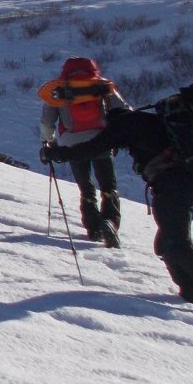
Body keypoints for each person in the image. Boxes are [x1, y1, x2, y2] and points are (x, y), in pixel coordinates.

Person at [46, 101, 193, 316]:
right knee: (165, 244)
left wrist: (56, 154)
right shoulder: (153, 121)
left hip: (172, 188)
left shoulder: (123, 125)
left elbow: (91, 148)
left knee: (177, 245)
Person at [37, 57, 128, 247]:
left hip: (72, 146)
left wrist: (48, 142)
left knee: (86, 188)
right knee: (108, 188)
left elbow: (47, 122)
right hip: (101, 141)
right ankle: (109, 222)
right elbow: (125, 112)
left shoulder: (58, 91)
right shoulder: (102, 87)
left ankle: (94, 229)